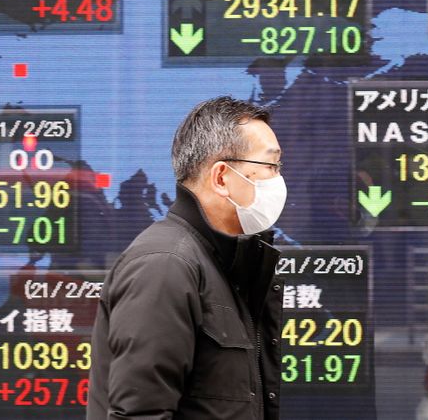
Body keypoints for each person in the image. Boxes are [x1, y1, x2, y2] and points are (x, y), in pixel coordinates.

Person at [87, 96, 285, 420]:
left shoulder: (223, 265)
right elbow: (140, 414)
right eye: (270, 165)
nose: (278, 179)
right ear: (222, 177)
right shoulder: (165, 265)